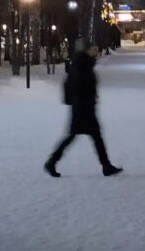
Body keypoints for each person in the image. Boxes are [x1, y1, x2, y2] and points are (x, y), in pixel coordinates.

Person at [44, 40, 122, 178]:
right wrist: (82, 101)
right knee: (80, 136)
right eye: (93, 49)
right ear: (86, 50)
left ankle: (106, 165)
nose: (96, 51)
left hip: (82, 106)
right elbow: (75, 85)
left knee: (87, 136)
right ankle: (51, 162)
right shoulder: (82, 64)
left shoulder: (83, 63)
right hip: (83, 107)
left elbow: (69, 84)